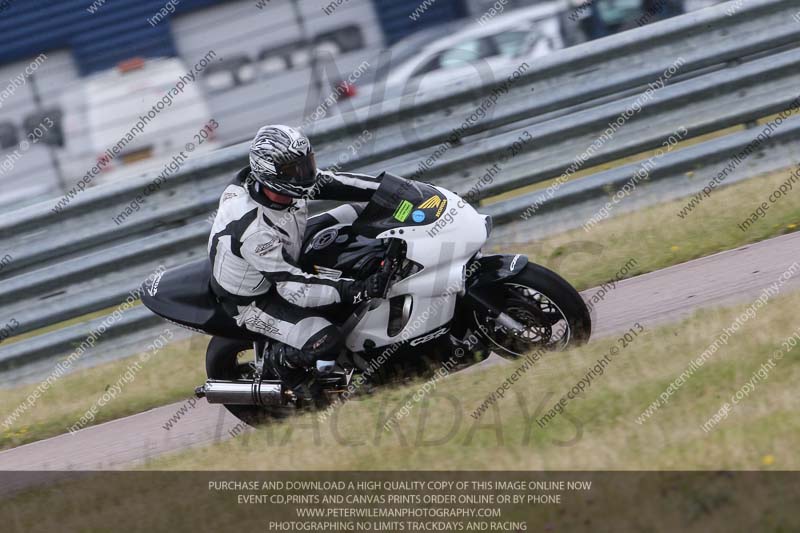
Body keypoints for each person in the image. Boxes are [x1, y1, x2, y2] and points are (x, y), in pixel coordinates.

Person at [207, 125, 389, 375]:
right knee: (326, 340)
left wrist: (395, 189)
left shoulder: (284, 184)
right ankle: (282, 364)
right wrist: (358, 290)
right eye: (295, 170)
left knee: (358, 215)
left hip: (285, 248)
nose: (306, 174)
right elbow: (293, 288)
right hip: (255, 298)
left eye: (307, 164)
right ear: (270, 173)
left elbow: (340, 183)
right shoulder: (254, 229)